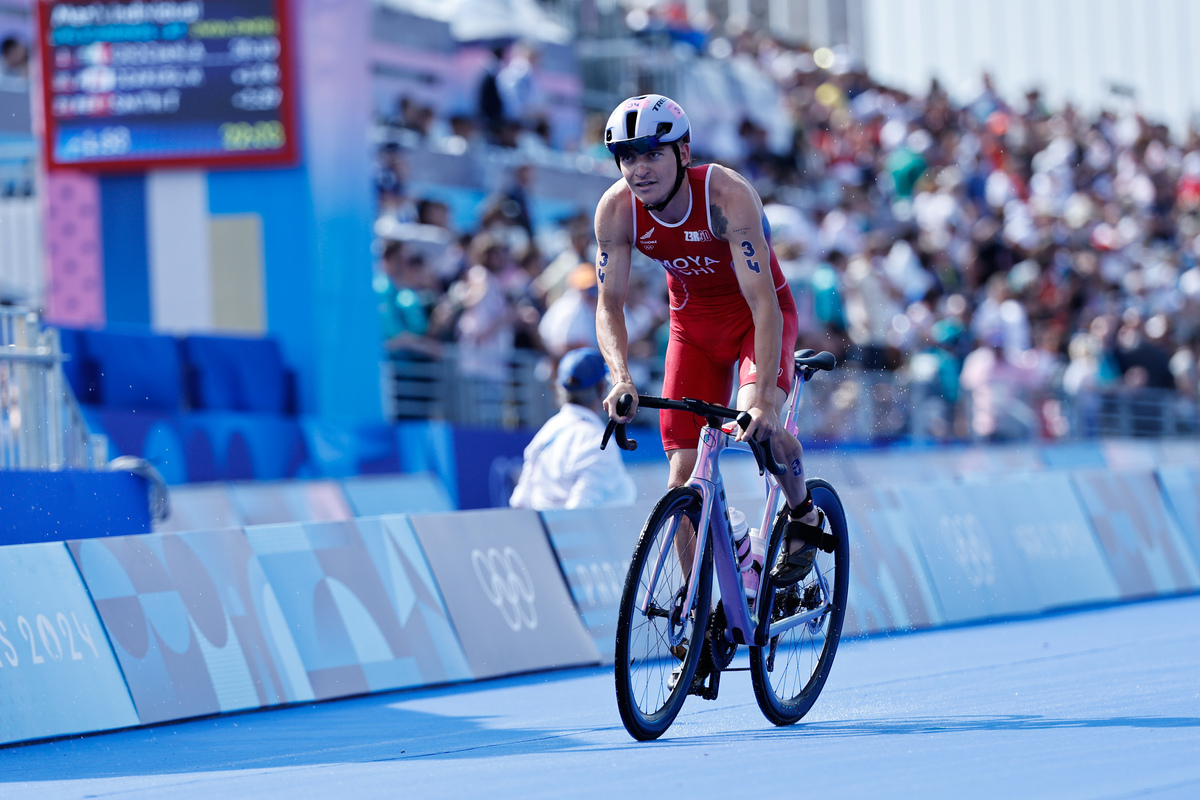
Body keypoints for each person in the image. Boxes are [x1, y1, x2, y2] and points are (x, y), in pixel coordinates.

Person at [593, 93, 823, 586]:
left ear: (683, 152)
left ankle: (804, 512)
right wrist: (621, 377)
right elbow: (609, 305)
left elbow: (763, 303)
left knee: (759, 422)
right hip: (692, 331)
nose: (639, 169)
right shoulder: (616, 210)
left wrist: (763, 400)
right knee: (681, 476)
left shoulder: (726, 195)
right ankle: (693, 608)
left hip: (755, 320)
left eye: (652, 153)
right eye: (627, 157)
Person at [509, 348, 637, 510]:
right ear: (601, 388)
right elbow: (579, 512)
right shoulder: (597, 442)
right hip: (584, 526)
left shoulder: (544, 434)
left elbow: (519, 502)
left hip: (544, 525)